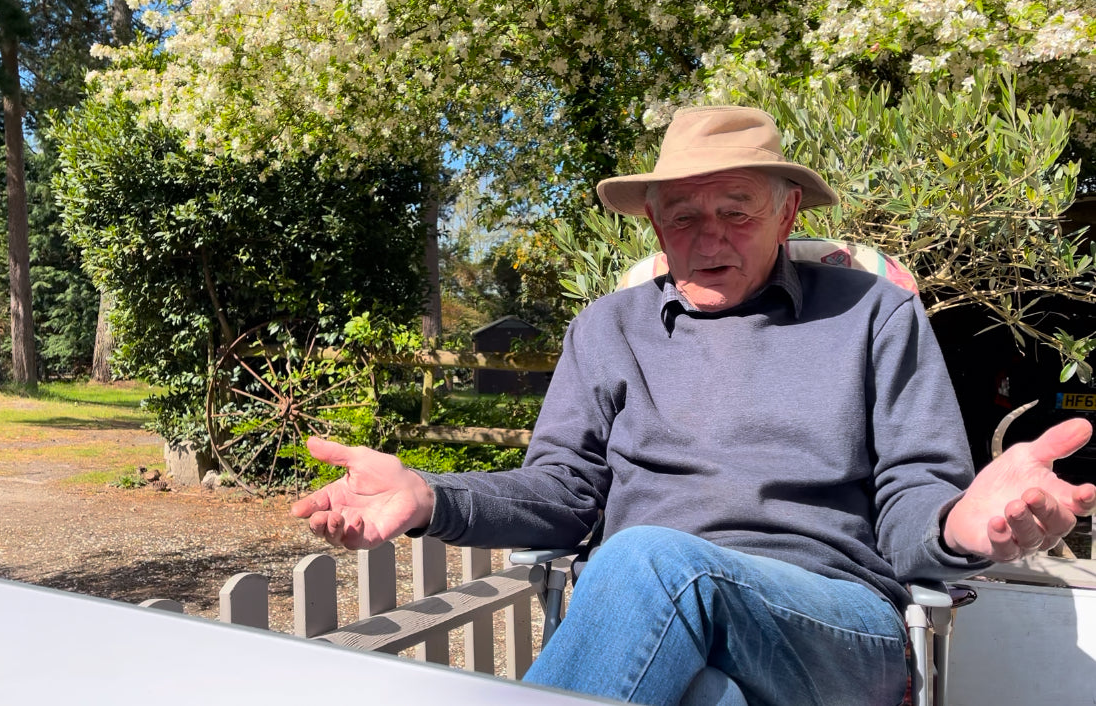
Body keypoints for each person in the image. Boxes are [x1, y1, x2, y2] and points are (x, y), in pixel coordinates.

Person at [290, 106, 1096, 705]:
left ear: (787, 214)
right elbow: (561, 494)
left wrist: (966, 525)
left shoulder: (871, 314)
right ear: (653, 221)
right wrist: (432, 495)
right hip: (661, 620)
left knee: (650, 560)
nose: (709, 238)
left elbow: (914, 494)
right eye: (683, 216)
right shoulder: (609, 329)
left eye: (737, 211)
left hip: (834, 628)